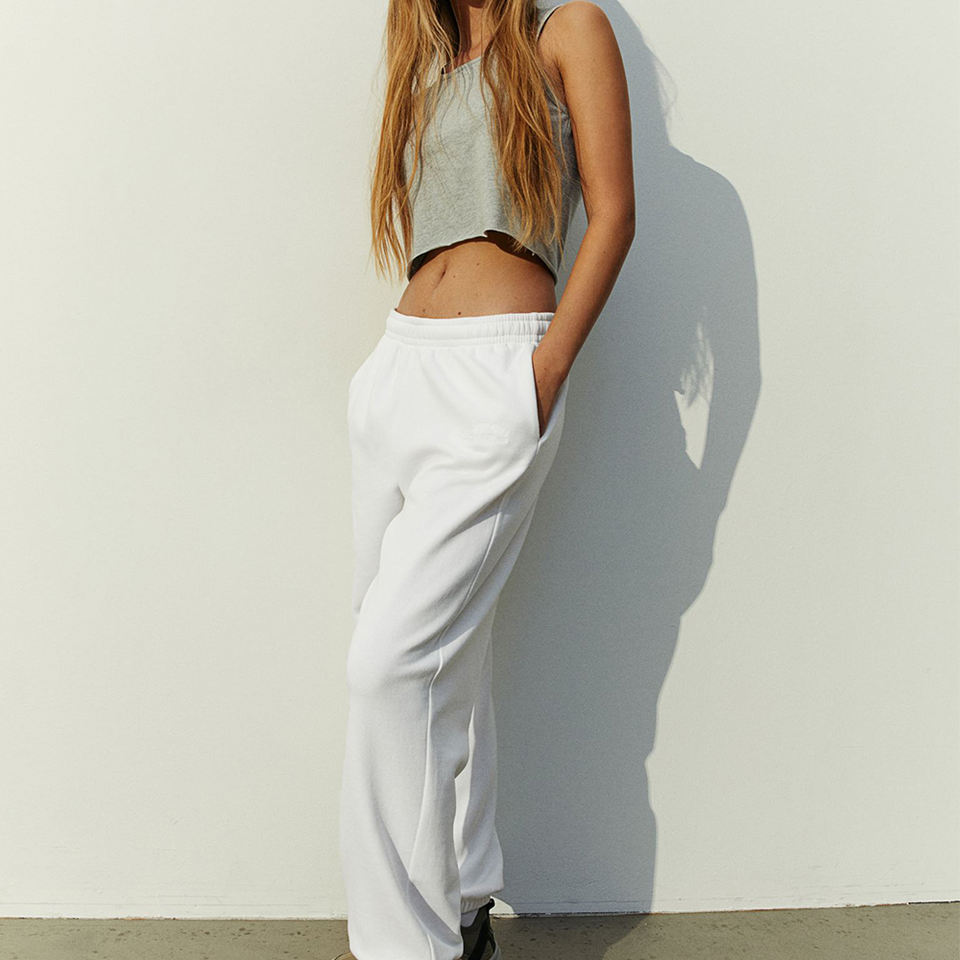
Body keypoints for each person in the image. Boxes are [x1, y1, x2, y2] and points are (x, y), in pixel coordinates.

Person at [336, 2, 634, 958]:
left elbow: (614, 214)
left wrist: (543, 374)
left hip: (494, 374)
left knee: (389, 667)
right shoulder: (426, 62)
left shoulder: (565, 31)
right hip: (398, 376)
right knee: (437, 664)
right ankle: (463, 904)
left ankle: (402, 948)